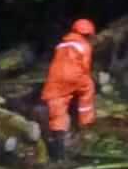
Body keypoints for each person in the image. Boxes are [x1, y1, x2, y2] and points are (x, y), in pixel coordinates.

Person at [40, 18, 96, 161]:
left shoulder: (61, 45)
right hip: (74, 76)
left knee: (58, 108)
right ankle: (86, 122)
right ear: (88, 34)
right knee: (88, 87)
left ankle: (59, 147)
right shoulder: (84, 46)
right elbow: (85, 67)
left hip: (55, 79)